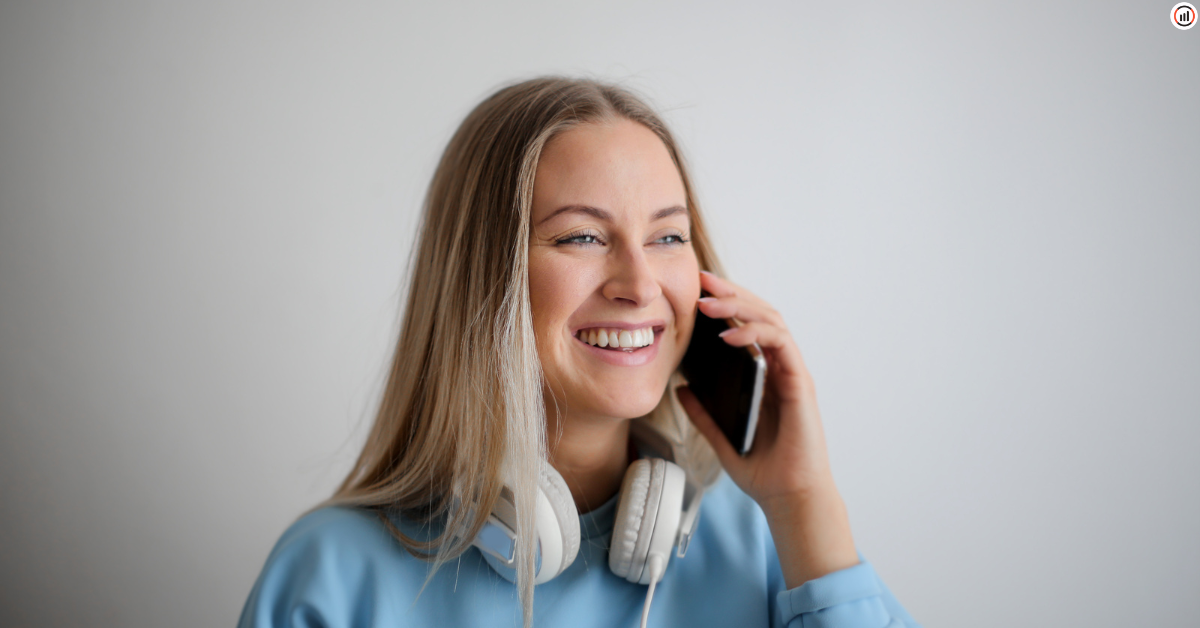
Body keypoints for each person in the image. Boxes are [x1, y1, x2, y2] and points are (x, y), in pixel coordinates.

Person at [237, 76, 921, 628]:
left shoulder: (770, 543)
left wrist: (804, 503)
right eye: (582, 238)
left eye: (668, 237)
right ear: (482, 279)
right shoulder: (329, 576)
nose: (639, 284)